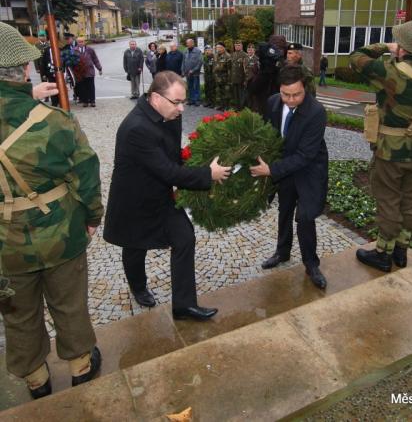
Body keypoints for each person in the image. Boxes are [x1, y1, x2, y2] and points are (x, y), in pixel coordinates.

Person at [0, 22, 103, 399]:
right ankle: (80, 366)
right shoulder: (54, 121)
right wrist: (92, 217)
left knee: (18, 313)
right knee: (69, 303)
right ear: (25, 69)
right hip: (61, 233)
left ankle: (36, 379)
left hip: (6, 244)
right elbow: (86, 174)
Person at [103, 71, 231, 319]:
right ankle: (138, 287)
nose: (182, 109)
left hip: (160, 194)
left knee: (184, 238)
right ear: (155, 98)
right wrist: (208, 174)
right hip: (134, 200)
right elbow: (169, 172)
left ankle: (184, 306)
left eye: (183, 101)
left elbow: (172, 157)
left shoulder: (170, 114)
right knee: (135, 246)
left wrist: (199, 157)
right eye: (177, 102)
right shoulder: (136, 128)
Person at [350, 20, 412, 272]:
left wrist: (384, 46)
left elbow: (356, 57)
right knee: (410, 200)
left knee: (388, 200)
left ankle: (382, 253)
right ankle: (401, 249)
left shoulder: (390, 72)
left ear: (402, 47)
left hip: (391, 151)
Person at [250, 64, 328, 290]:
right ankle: (282, 252)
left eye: (297, 94)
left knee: (305, 218)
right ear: (279, 89)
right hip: (284, 169)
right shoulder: (273, 102)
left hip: (308, 170)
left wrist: (271, 170)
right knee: (284, 211)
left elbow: (305, 155)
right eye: (286, 94)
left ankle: (311, 264)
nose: (291, 100)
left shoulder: (316, 112)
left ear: (305, 88)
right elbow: (268, 135)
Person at [75, 37, 102, 108]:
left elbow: (95, 59)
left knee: (91, 87)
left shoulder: (90, 50)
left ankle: (92, 101)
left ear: (84, 42)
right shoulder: (74, 50)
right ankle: (85, 101)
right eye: (79, 42)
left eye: (82, 41)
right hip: (80, 73)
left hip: (89, 71)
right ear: (77, 43)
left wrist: (99, 68)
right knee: (82, 87)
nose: (81, 43)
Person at [182, 38, 203, 105]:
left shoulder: (198, 51)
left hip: (195, 73)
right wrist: (183, 70)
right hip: (187, 73)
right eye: (187, 43)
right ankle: (191, 100)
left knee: (196, 86)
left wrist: (193, 70)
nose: (187, 44)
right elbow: (183, 61)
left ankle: (197, 100)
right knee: (190, 86)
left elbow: (200, 62)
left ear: (192, 43)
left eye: (188, 43)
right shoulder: (185, 51)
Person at [213, 42, 232, 110]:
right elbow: (214, 67)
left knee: (226, 93)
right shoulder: (216, 56)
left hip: (225, 78)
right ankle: (220, 105)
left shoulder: (228, 56)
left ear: (224, 48)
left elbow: (230, 69)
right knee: (219, 92)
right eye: (217, 48)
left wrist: (229, 80)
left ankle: (226, 107)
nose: (218, 49)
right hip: (218, 78)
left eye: (220, 47)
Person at [231, 39, 248, 109]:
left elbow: (246, 69)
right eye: (236, 45)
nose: (237, 47)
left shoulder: (245, 55)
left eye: (238, 45)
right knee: (236, 95)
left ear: (241, 46)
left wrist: (245, 80)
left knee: (241, 95)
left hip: (241, 79)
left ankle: (241, 108)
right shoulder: (233, 54)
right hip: (234, 78)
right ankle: (236, 107)